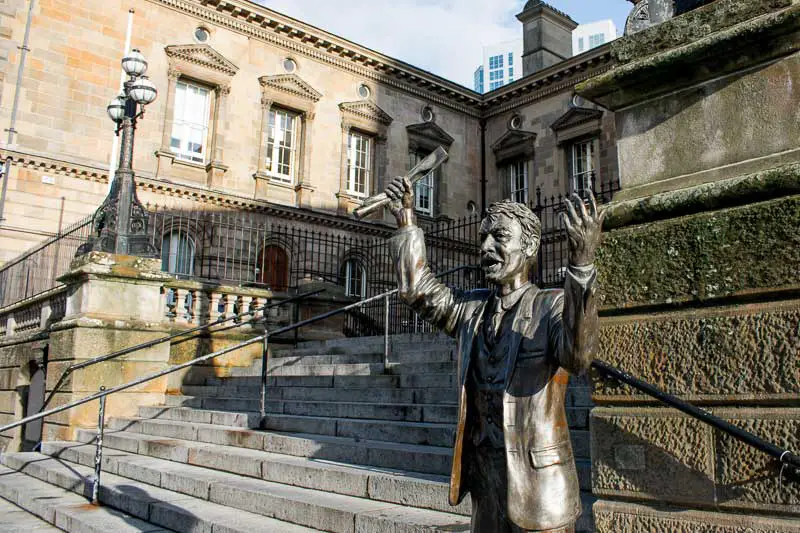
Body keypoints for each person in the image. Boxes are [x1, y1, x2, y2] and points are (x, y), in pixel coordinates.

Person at [385, 176, 604, 533]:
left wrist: (581, 265)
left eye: (499, 237)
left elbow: (578, 357)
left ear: (530, 246)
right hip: (486, 482)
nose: (485, 247)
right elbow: (417, 289)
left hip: (540, 488)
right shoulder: (470, 309)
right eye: (483, 238)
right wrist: (407, 220)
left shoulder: (552, 306)